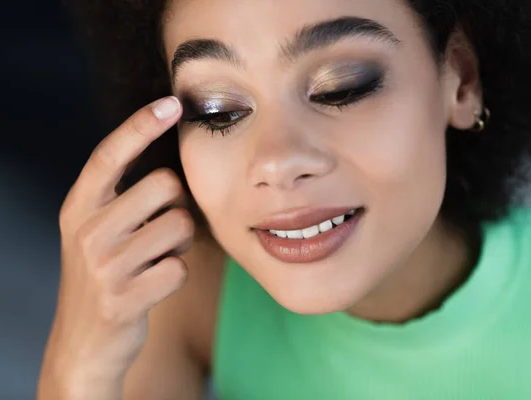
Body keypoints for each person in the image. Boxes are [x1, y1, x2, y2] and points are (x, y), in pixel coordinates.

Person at [38, 1, 531, 398]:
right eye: (217, 109)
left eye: (341, 88)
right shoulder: (186, 288)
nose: (275, 160)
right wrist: (78, 374)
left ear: (461, 81)